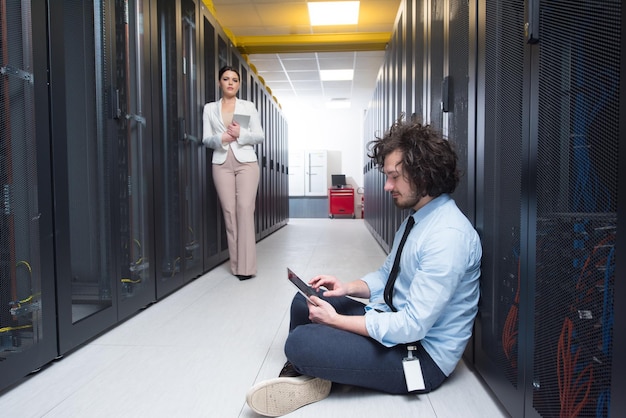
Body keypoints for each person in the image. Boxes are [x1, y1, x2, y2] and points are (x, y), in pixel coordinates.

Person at [245, 118, 482, 416]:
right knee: (305, 300)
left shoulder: (448, 236)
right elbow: (388, 276)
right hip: (394, 322)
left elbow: (412, 326)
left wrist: (335, 321)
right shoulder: (419, 219)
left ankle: (309, 366)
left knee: (300, 341)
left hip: (419, 357)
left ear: (423, 173)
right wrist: (346, 287)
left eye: (394, 176)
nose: (387, 186)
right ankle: (314, 371)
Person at [203, 66, 264, 280]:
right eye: (226, 79)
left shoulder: (248, 106)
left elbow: (259, 135)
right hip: (221, 163)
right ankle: (236, 265)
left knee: (244, 209)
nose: (230, 83)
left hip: (246, 162)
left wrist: (241, 134)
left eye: (235, 80)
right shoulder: (209, 108)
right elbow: (206, 138)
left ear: (239, 84)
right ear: (219, 82)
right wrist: (221, 138)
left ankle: (247, 268)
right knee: (229, 212)